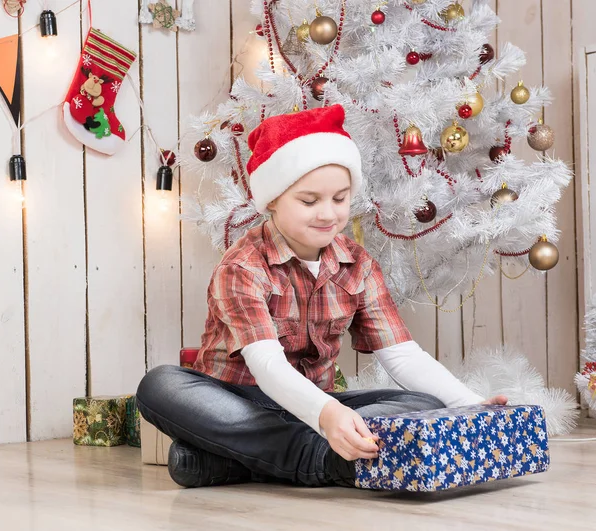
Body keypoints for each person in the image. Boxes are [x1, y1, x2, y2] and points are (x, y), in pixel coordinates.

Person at [136, 104, 507, 489]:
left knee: (423, 404)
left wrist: (467, 403)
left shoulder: (358, 263)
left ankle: (235, 461)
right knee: (160, 385)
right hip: (241, 399)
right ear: (274, 200)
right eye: (309, 201)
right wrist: (327, 417)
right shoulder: (243, 266)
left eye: (340, 199)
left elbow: (400, 353)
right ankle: (319, 458)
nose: (328, 214)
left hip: (316, 403)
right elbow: (267, 368)